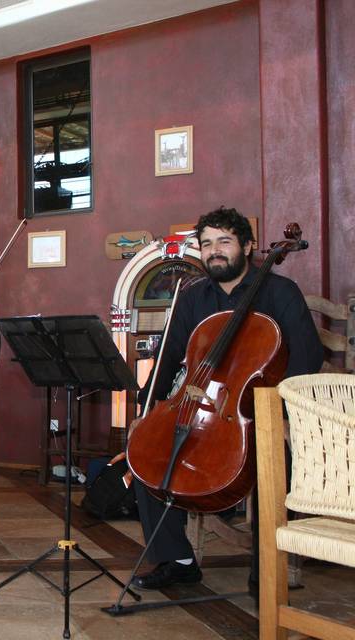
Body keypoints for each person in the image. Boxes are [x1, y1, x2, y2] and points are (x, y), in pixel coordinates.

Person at [129, 206, 322, 590]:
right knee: (147, 454)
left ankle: (266, 572)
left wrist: (284, 416)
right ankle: (177, 559)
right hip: (204, 409)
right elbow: (168, 360)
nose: (214, 251)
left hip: (262, 413)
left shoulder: (280, 292)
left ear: (248, 247)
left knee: (274, 460)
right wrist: (146, 409)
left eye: (224, 242)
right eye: (206, 244)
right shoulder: (193, 297)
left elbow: (307, 356)